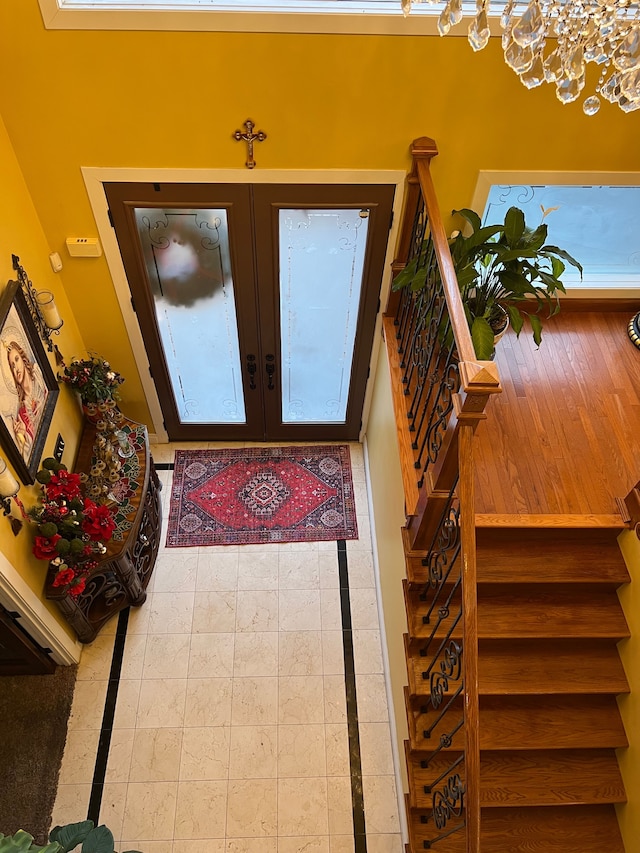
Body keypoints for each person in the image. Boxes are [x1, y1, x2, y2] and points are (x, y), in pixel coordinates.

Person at [6, 340, 48, 462]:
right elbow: (28, 454)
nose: (16, 368)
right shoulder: (22, 411)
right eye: (11, 366)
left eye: (17, 360)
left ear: (23, 358)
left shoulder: (38, 375)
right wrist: (22, 435)